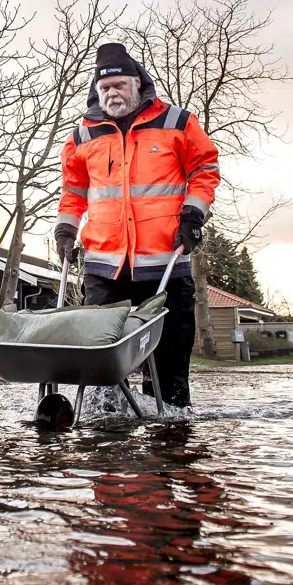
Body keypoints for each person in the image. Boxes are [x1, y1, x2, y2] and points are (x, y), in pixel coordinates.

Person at [54, 42, 220, 408]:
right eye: (105, 88)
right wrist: (66, 229)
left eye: (119, 85)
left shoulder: (177, 122)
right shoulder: (82, 136)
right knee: (100, 365)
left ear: (138, 84)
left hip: (165, 263)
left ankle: (171, 440)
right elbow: (73, 192)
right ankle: (104, 430)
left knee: (170, 361)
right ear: (96, 92)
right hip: (104, 268)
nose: (112, 93)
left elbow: (205, 170)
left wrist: (193, 216)